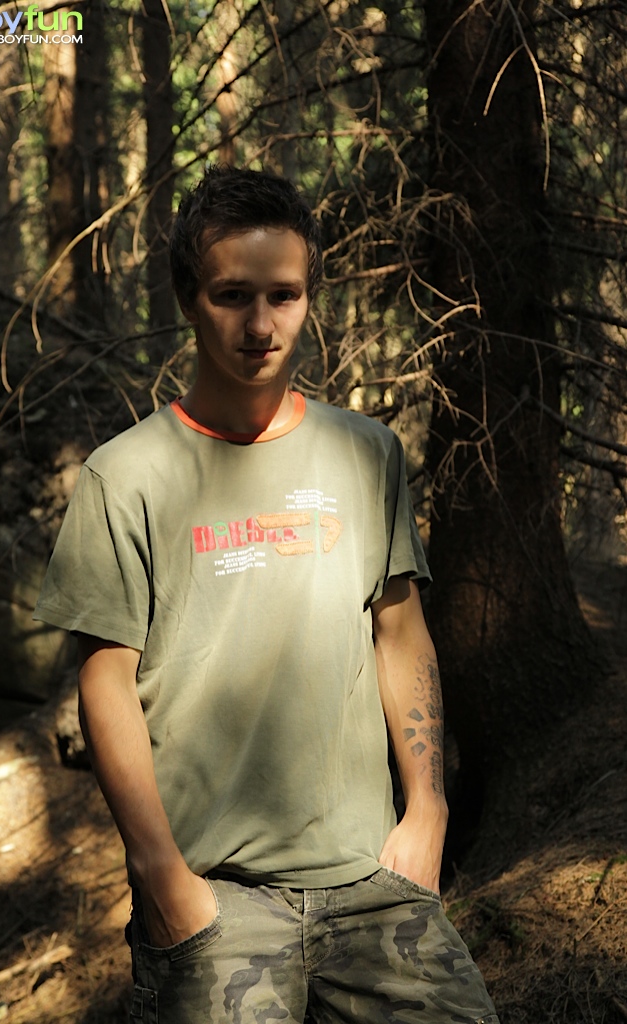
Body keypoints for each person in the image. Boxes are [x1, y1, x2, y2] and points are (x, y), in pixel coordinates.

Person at [34, 166, 499, 1024]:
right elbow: (106, 684)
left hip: (373, 882)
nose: (260, 325)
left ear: (309, 297)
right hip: (215, 896)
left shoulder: (365, 453)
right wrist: (162, 876)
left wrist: (427, 812)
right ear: (188, 299)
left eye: (283, 295)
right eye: (231, 296)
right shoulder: (123, 477)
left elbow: (400, 635)